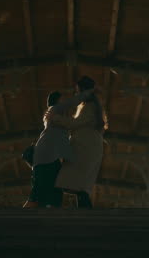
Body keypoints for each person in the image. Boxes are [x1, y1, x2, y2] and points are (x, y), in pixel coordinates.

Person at [23, 89, 93, 208]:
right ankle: (19, 221)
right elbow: (72, 106)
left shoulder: (56, 115)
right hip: (45, 158)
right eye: (63, 100)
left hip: (49, 158)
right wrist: (87, 94)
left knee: (53, 192)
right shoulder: (54, 110)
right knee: (39, 194)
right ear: (57, 101)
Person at [47, 76, 107, 208]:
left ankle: (53, 210)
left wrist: (54, 118)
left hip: (84, 150)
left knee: (66, 181)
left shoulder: (89, 107)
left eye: (78, 91)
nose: (76, 94)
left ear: (84, 91)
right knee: (80, 186)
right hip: (86, 148)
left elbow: (75, 124)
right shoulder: (91, 107)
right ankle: (86, 215)